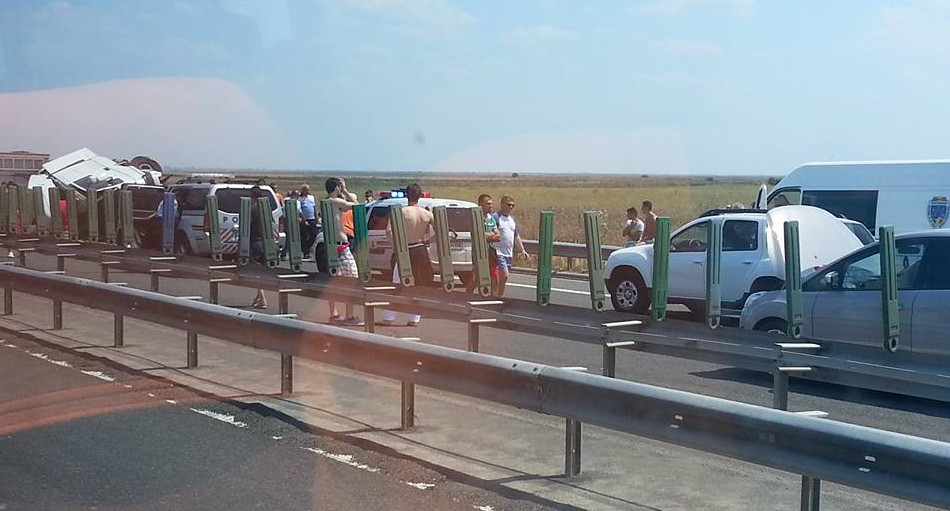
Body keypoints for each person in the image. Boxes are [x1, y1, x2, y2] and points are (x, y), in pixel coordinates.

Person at [378, 183, 434, 327]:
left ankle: (389, 317)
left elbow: (389, 231)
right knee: (419, 285)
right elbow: (442, 232)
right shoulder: (427, 214)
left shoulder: (401, 212)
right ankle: (414, 319)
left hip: (405, 249)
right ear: (420, 196)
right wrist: (428, 240)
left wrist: (395, 246)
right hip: (420, 248)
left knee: (397, 284)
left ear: (407, 195)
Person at [324, 177, 364, 327]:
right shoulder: (335, 202)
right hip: (341, 246)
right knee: (353, 279)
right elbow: (358, 206)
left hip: (331, 246)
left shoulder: (326, 202)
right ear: (337, 188)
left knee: (335, 281)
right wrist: (345, 191)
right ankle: (350, 316)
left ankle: (333, 314)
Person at [491, 195, 528, 297]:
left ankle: (498, 296)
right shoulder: (495, 217)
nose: (510, 207)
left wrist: (522, 250)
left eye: (513, 205)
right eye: (508, 205)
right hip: (497, 251)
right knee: (504, 275)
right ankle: (494, 295)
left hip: (508, 252)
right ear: (502, 205)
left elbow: (516, 236)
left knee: (503, 278)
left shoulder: (512, 220)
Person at [466, 193, 501, 293]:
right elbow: (478, 235)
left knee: (495, 279)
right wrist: (490, 236)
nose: (490, 206)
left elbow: (498, 236)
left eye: (491, 204)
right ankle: (466, 296)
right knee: (477, 279)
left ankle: (493, 300)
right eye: (487, 204)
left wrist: (487, 236)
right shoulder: (475, 218)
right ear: (480, 204)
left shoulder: (491, 218)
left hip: (491, 253)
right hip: (479, 254)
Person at [249, 186, 268, 309]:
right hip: (266, 243)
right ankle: (258, 297)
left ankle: (263, 299)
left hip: (255, 242)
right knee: (261, 272)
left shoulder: (252, 209)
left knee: (256, 272)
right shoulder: (266, 209)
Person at [299, 184, 317, 259]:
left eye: (308, 189)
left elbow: (314, 208)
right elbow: (299, 210)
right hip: (304, 220)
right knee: (304, 236)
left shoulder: (311, 198)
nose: (308, 191)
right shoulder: (300, 199)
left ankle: (308, 247)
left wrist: (316, 217)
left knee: (314, 234)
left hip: (312, 218)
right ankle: (305, 252)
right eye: (306, 189)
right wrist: (303, 220)